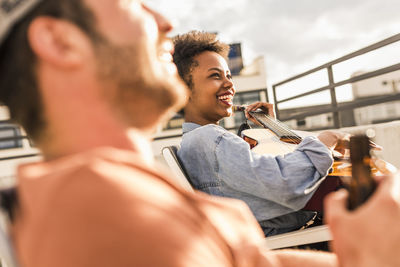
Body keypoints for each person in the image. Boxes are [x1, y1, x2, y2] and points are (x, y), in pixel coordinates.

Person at [1, 1, 399, 267]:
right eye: (131, 2)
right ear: (59, 41)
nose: (166, 22)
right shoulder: (101, 211)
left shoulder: (129, 195)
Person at [173, 30, 349, 236]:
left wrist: (272, 128)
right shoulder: (209, 139)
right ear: (183, 89)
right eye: (215, 75)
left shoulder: (199, 142)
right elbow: (284, 182)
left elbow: (256, 177)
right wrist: (327, 140)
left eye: (229, 76)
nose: (230, 84)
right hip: (291, 236)